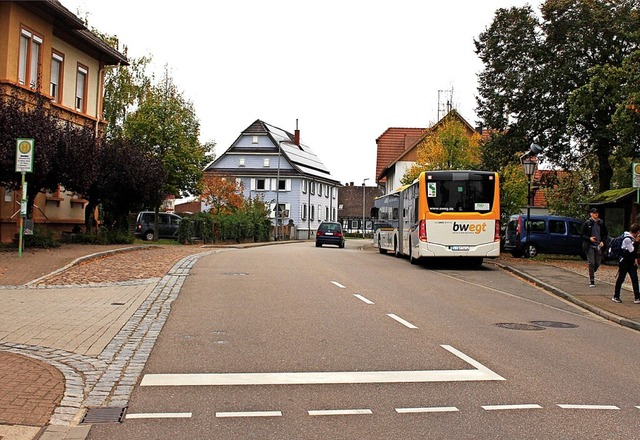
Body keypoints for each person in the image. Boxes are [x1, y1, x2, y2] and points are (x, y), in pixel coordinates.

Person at [612, 223, 640, 304]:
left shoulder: (631, 238)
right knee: (621, 278)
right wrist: (637, 242)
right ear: (637, 232)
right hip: (624, 261)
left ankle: (637, 297)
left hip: (631, 261)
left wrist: (635, 258)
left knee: (634, 278)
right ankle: (616, 296)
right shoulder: (627, 239)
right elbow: (632, 251)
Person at [581, 207, 608, 287]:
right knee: (591, 262)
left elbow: (605, 234)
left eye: (597, 213)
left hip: (598, 245)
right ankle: (592, 280)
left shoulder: (601, 223)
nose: (596, 214)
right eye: (594, 213)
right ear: (591, 214)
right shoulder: (587, 223)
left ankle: (592, 271)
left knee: (598, 262)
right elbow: (582, 234)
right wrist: (589, 238)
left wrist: (603, 241)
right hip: (590, 245)